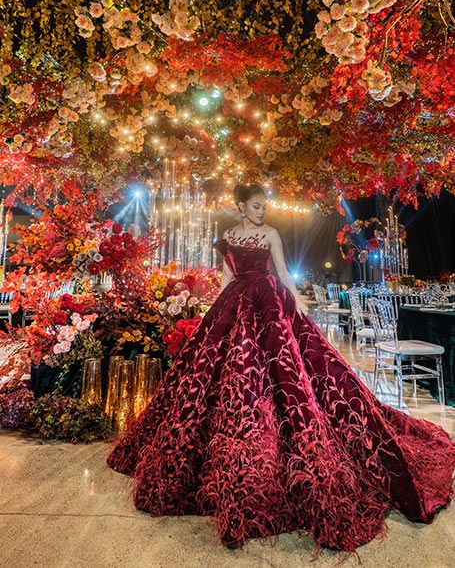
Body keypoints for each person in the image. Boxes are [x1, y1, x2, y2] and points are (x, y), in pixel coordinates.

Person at [107, 183, 455, 552]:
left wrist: (299, 309)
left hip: (271, 304)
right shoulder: (227, 236)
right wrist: (215, 306)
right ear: (241, 207)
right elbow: (227, 276)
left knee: (286, 370)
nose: (261, 211)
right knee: (221, 372)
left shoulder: (271, 233)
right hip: (235, 301)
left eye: (263, 207)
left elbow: (284, 273)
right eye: (256, 206)